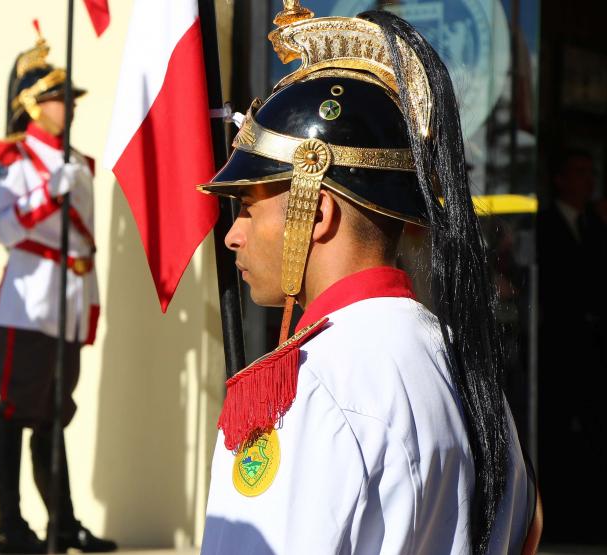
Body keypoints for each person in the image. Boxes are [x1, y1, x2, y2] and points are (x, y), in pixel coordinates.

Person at [197, 5, 540, 554]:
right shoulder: (467, 370)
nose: (232, 236)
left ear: (318, 212)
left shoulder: (308, 385)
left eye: (247, 208)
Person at [0, 24, 116, 554]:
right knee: (15, 413)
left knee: (54, 415)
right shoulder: (13, 159)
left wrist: (90, 304)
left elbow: (84, 244)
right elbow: (6, 227)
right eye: (60, 99)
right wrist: (49, 190)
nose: (70, 107)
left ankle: (60, 525)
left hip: (67, 299)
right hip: (28, 302)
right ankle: (9, 526)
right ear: (34, 105)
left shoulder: (76, 162)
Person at [536, 148, 607, 542]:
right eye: (579, 171)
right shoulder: (543, 224)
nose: (587, 180)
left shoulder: (597, 224)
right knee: (557, 438)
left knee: (597, 435)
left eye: (592, 172)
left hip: (598, 352)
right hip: (558, 349)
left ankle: (593, 521)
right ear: (560, 179)